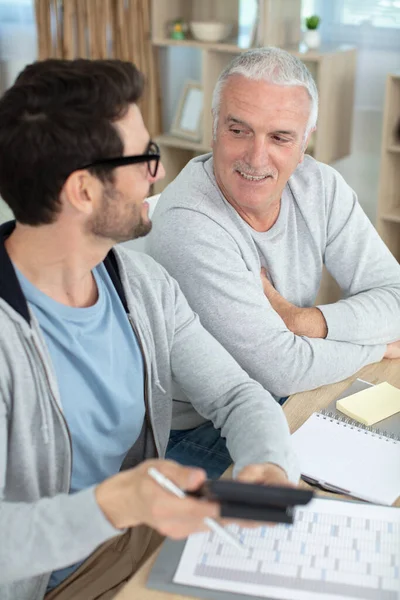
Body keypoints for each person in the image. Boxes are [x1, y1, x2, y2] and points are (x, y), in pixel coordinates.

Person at [0, 59, 299, 600]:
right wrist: (115, 505)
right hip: (53, 580)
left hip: (143, 538)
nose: (156, 175)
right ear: (84, 191)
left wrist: (267, 464)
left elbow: (235, 394)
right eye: (143, 159)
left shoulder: (141, 282)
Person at [148, 47, 400, 474]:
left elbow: (394, 294)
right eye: (238, 130)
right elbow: (280, 368)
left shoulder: (320, 186)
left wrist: (305, 322)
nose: (256, 157)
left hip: (279, 398)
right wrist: (380, 346)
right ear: (214, 129)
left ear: (305, 142)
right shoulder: (189, 223)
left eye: (280, 137)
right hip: (196, 430)